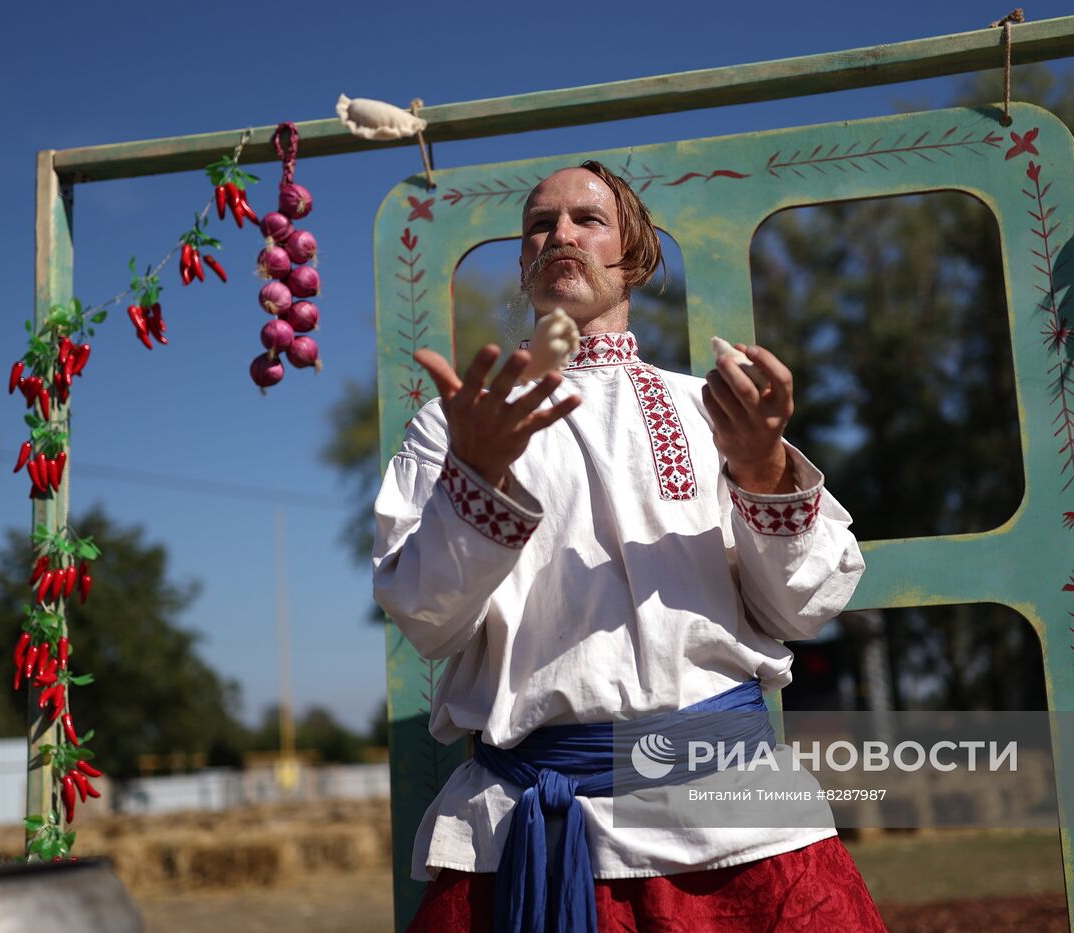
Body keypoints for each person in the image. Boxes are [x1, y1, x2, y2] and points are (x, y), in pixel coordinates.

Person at [373, 160, 886, 931]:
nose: (560, 236)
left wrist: (763, 469)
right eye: (539, 225)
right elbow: (426, 619)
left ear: (636, 258)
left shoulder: (710, 408)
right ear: (523, 262)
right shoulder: (456, 425)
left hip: (737, 822)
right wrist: (475, 478)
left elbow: (804, 605)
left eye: (587, 219)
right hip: (529, 834)